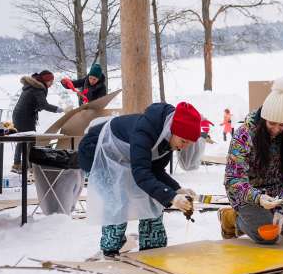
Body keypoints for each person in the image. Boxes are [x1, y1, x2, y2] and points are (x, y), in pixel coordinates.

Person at [78, 101, 202, 256]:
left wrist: (177, 189)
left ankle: (152, 248)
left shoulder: (169, 138)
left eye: (188, 144)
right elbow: (141, 174)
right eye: (183, 141)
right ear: (173, 130)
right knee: (117, 200)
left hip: (125, 159)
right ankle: (110, 250)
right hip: (96, 152)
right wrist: (171, 197)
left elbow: (155, 170)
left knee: (152, 199)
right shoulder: (145, 131)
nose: (184, 146)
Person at [219, 78, 283, 244]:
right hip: (248, 195)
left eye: (282, 125)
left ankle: (266, 216)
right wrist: (258, 198)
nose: (276, 130)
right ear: (263, 118)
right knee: (267, 237)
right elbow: (233, 179)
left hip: (276, 194)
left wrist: (282, 210)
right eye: (272, 123)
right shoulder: (244, 134)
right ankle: (232, 218)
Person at [11, 70, 69, 173]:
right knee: (29, 140)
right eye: (51, 81)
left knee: (23, 139)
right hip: (25, 117)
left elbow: (35, 103)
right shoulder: (38, 88)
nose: (51, 84)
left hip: (19, 115)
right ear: (46, 80)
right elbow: (44, 105)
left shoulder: (33, 86)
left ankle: (19, 164)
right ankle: (30, 166)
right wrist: (61, 110)